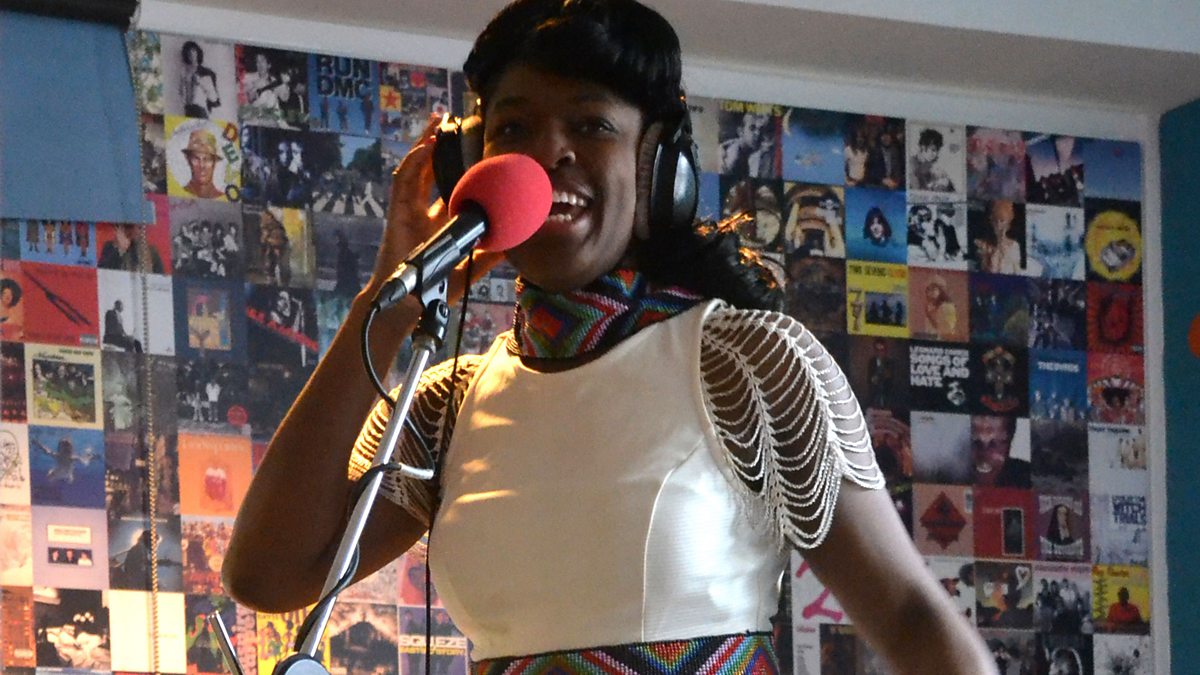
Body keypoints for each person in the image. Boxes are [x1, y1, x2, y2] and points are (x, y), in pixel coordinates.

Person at [223, 2, 994, 673]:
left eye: (590, 124)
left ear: (659, 168)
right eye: (513, 128)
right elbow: (267, 573)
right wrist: (389, 302)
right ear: (471, 165)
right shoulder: (446, 407)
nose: (547, 153)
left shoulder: (747, 363)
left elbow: (909, 615)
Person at [975, 199, 1022, 274]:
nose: (998, 225)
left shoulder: (1014, 246)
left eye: (1002, 220)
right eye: (995, 221)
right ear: (991, 222)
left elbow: (1017, 273)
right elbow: (986, 272)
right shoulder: (983, 246)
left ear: (1008, 223)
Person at [179, 40, 221, 118]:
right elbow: (182, 96)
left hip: (201, 112)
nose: (191, 55)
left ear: (198, 53)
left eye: (193, 52)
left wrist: (200, 83)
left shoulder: (207, 73)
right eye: (189, 53)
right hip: (187, 112)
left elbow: (214, 99)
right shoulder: (184, 73)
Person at [181, 129, 224, 199]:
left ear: (214, 162)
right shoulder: (179, 194)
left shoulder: (222, 197)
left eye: (207, 159)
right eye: (196, 158)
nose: (202, 165)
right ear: (188, 160)